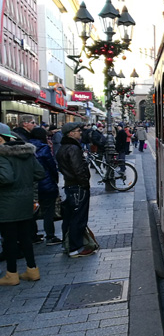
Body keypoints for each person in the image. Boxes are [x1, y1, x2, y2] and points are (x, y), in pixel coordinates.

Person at [0, 123, 46, 285]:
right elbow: (40, 173)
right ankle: (32, 270)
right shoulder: (26, 152)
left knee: (9, 240)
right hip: (26, 202)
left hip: (7, 204)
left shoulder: (2, 155)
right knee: (25, 238)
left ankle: (11, 274)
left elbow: (6, 178)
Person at [56, 122, 95, 258]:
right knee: (78, 218)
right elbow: (78, 169)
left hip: (70, 186)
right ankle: (75, 247)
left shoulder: (63, 147)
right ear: (71, 133)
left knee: (69, 217)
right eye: (78, 131)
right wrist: (85, 184)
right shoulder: (73, 148)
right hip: (77, 187)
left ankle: (67, 244)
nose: (80, 133)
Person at [28, 127, 61, 245]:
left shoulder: (25, 147)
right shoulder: (44, 147)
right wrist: (55, 179)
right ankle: (50, 236)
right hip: (46, 183)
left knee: (33, 211)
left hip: (31, 184)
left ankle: (33, 235)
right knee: (48, 211)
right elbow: (51, 165)